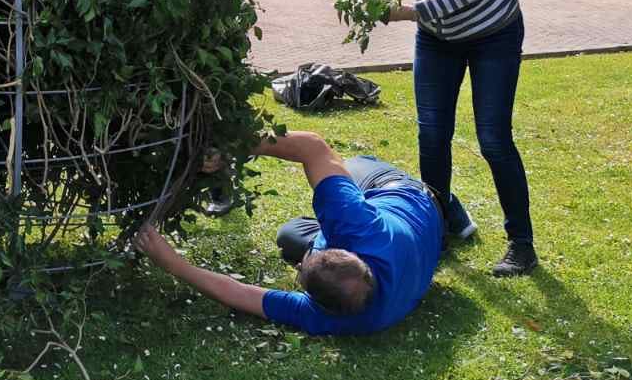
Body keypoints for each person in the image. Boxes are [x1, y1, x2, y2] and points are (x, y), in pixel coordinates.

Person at [377, 0, 536, 277]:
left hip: (493, 34)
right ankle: (438, 228)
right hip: (437, 37)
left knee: (493, 138)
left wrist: (411, 13)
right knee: (431, 133)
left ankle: (521, 245)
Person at [133, 131, 463, 336]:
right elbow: (315, 148)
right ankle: (450, 207)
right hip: (406, 197)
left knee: (291, 234)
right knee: (345, 168)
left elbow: (242, 295)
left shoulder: (327, 317)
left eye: (303, 263)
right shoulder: (359, 225)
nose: (303, 260)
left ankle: (445, 210)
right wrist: (239, 142)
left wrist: (173, 264)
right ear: (351, 254)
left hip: (416, 229)